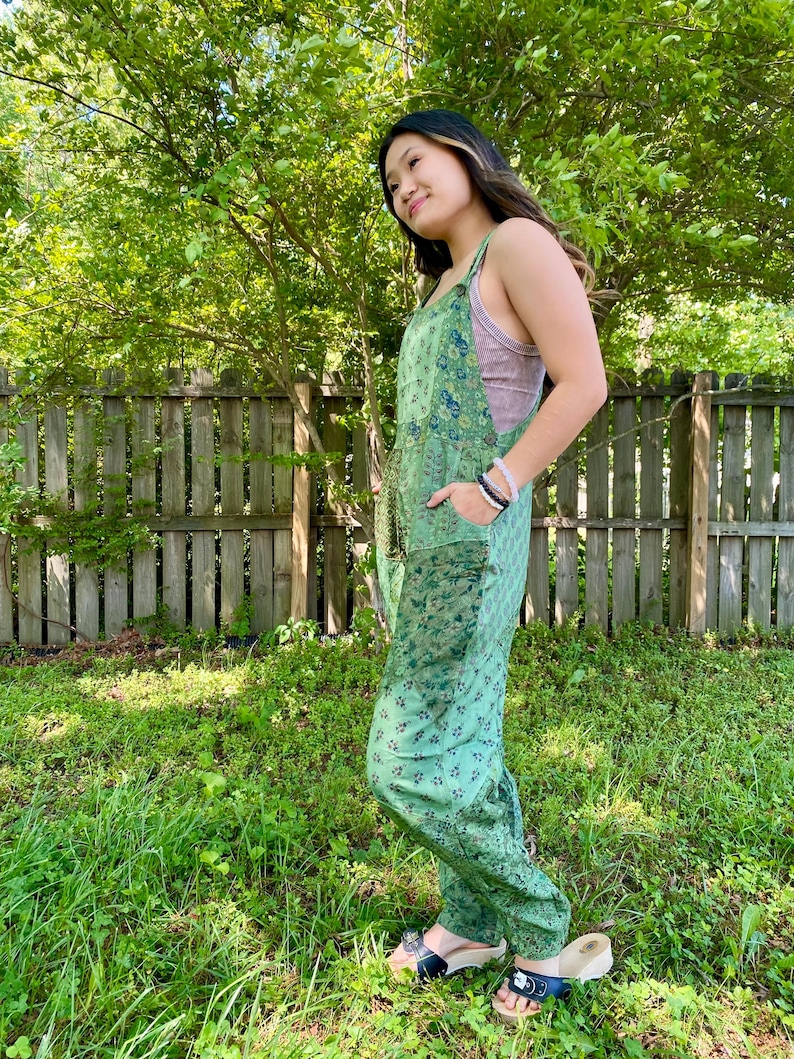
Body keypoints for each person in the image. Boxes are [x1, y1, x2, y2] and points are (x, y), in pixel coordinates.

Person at [368, 109, 611, 1025]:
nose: (405, 189)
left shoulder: (515, 244)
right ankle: (469, 923)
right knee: (466, 740)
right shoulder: (439, 291)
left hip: (473, 542)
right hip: (423, 552)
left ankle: (541, 923)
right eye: (393, 186)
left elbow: (583, 381)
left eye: (414, 163)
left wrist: (495, 485)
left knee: (404, 759)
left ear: (465, 155)